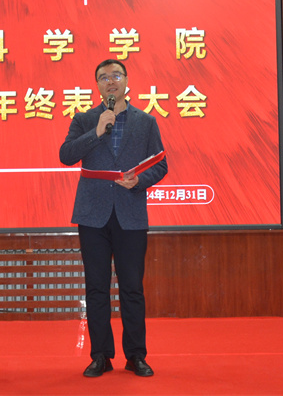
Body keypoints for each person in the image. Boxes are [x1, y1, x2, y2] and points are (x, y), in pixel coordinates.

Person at [59, 58, 168, 378]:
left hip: (130, 214)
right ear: (97, 85)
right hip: (92, 215)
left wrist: (140, 181)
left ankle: (136, 355)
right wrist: (96, 131)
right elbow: (66, 155)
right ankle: (100, 356)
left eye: (116, 75)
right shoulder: (84, 119)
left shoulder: (146, 122)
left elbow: (161, 164)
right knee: (96, 288)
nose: (110, 81)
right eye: (104, 77)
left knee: (132, 288)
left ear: (126, 81)